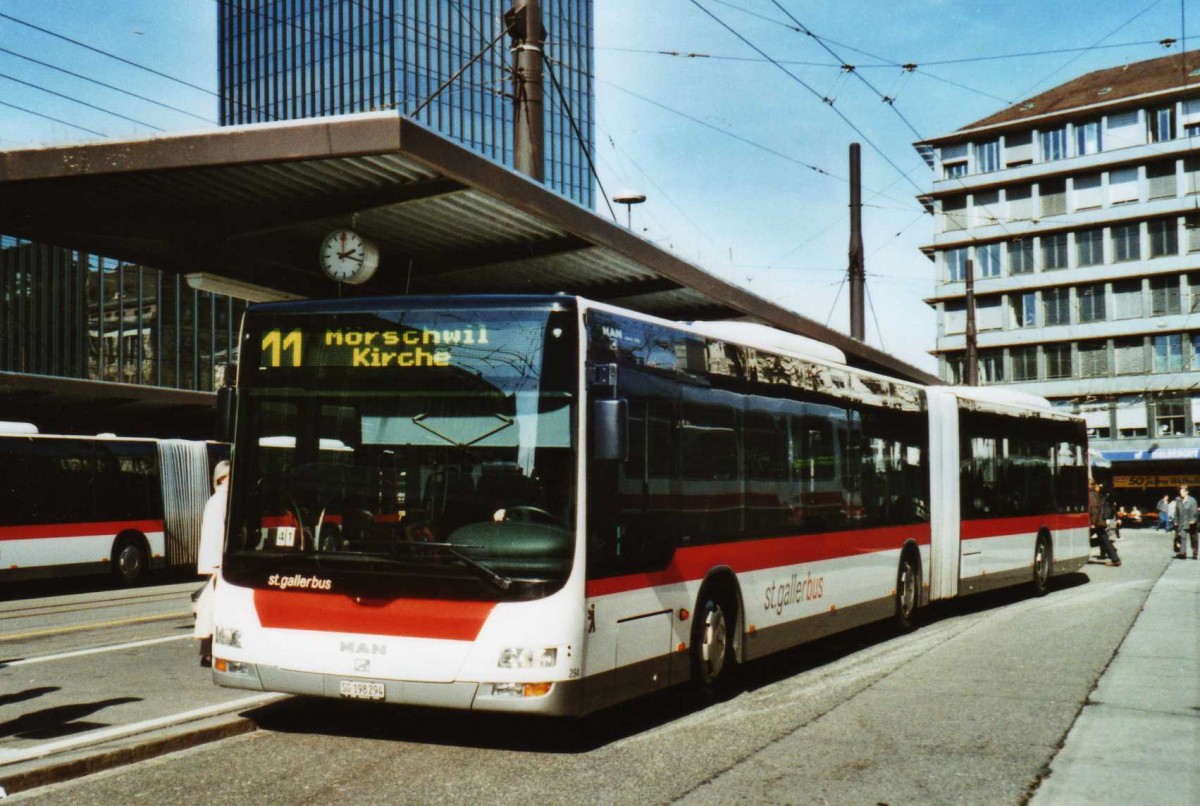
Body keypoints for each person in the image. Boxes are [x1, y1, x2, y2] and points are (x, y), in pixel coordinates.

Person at [194, 460, 230, 667]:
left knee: (212, 607)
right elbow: (216, 535)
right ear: (222, 478)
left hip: (219, 563)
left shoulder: (220, 500)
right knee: (215, 608)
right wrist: (216, 565)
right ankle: (209, 651)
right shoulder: (219, 501)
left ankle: (208, 650)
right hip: (219, 564)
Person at [1089, 480, 1120, 566]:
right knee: (1103, 539)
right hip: (1099, 521)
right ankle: (1114, 557)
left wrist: (1092, 523)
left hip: (1096, 522)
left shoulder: (1091, 494)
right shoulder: (1095, 494)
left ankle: (1114, 556)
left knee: (1085, 539)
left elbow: (1094, 509)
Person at [1173, 484, 1199, 560]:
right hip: (1182, 522)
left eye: (1182, 491)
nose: (1181, 493)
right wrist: (1175, 520)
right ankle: (1183, 552)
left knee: (1194, 538)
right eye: (1180, 491)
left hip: (1191, 522)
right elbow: (1176, 512)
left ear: (1186, 492)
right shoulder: (1178, 500)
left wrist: (1193, 520)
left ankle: (1195, 552)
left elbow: (1195, 512)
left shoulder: (1192, 500)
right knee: (1182, 537)